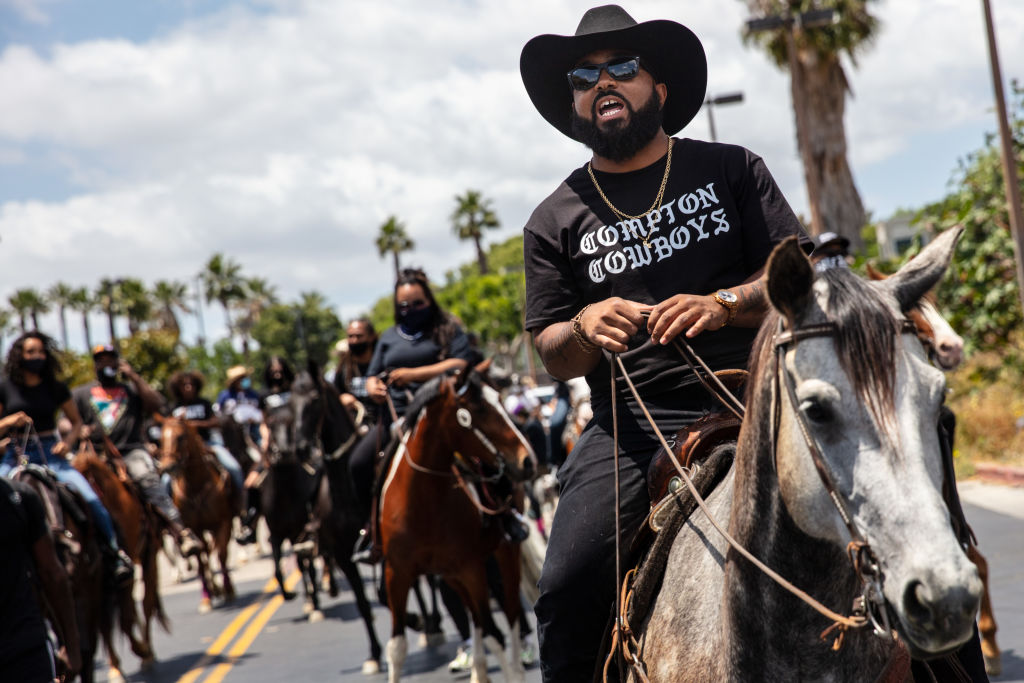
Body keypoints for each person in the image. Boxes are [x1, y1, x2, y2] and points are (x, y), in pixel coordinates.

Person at [519, 6, 813, 679]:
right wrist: (586, 325)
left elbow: (797, 275)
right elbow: (551, 349)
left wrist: (723, 304)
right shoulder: (551, 220)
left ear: (661, 90)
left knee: (907, 508)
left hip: (761, 396)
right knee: (564, 585)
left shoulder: (732, 168)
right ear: (574, 103)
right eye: (584, 75)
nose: (603, 82)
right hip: (632, 429)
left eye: (622, 67)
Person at [350, 268, 515, 561]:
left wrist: (413, 374)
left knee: (491, 453)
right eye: (404, 306)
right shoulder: (388, 337)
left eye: (417, 303)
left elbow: (461, 363)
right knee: (358, 464)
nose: (411, 310)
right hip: (398, 419)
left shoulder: (448, 328)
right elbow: (370, 377)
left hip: (449, 416)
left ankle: (507, 516)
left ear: (428, 300)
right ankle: (371, 532)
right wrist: (373, 387)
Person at [0, 332, 133, 587]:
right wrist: (7, 421)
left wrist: (68, 442)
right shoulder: (5, 388)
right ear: (19, 355)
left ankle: (115, 554)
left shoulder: (56, 387)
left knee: (92, 499)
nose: (36, 357)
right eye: (30, 352)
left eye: (40, 352)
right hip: (16, 454)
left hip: (51, 454)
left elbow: (76, 422)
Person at [73, 344, 200, 559]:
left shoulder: (130, 390)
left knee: (148, 478)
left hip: (131, 452)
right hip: (95, 456)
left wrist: (134, 377)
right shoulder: (80, 393)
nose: (106, 364)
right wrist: (78, 430)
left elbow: (159, 405)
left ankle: (180, 531)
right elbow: (65, 423)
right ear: (94, 365)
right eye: (100, 360)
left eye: (110, 359)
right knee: (70, 488)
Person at [0, 475, 81, 681]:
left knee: (89, 498)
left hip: (25, 648)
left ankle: (113, 549)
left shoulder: (17, 496)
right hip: (26, 648)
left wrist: (72, 646)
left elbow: (52, 573)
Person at [167, 371, 245, 509]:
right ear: (178, 388)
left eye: (191, 384)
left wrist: (194, 424)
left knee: (234, 467)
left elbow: (216, 422)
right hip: (182, 452)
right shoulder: (174, 408)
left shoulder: (204, 403)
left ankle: (241, 504)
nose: (188, 387)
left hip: (208, 444)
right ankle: (170, 516)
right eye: (184, 385)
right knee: (166, 481)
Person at [332, 319, 379, 430]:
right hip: (353, 424)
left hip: (381, 421)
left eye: (359, 336)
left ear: (371, 337)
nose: (354, 340)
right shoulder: (344, 366)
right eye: (351, 336)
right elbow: (334, 395)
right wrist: (342, 399)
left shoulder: (383, 362)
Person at [216, 365, 263, 446]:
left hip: (253, 430)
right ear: (234, 381)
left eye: (244, 378)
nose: (243, 380)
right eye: (240, 379)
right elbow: (218, 412)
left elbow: (260, 411)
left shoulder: (253, 394)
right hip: (232, 432)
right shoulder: (225, 395)